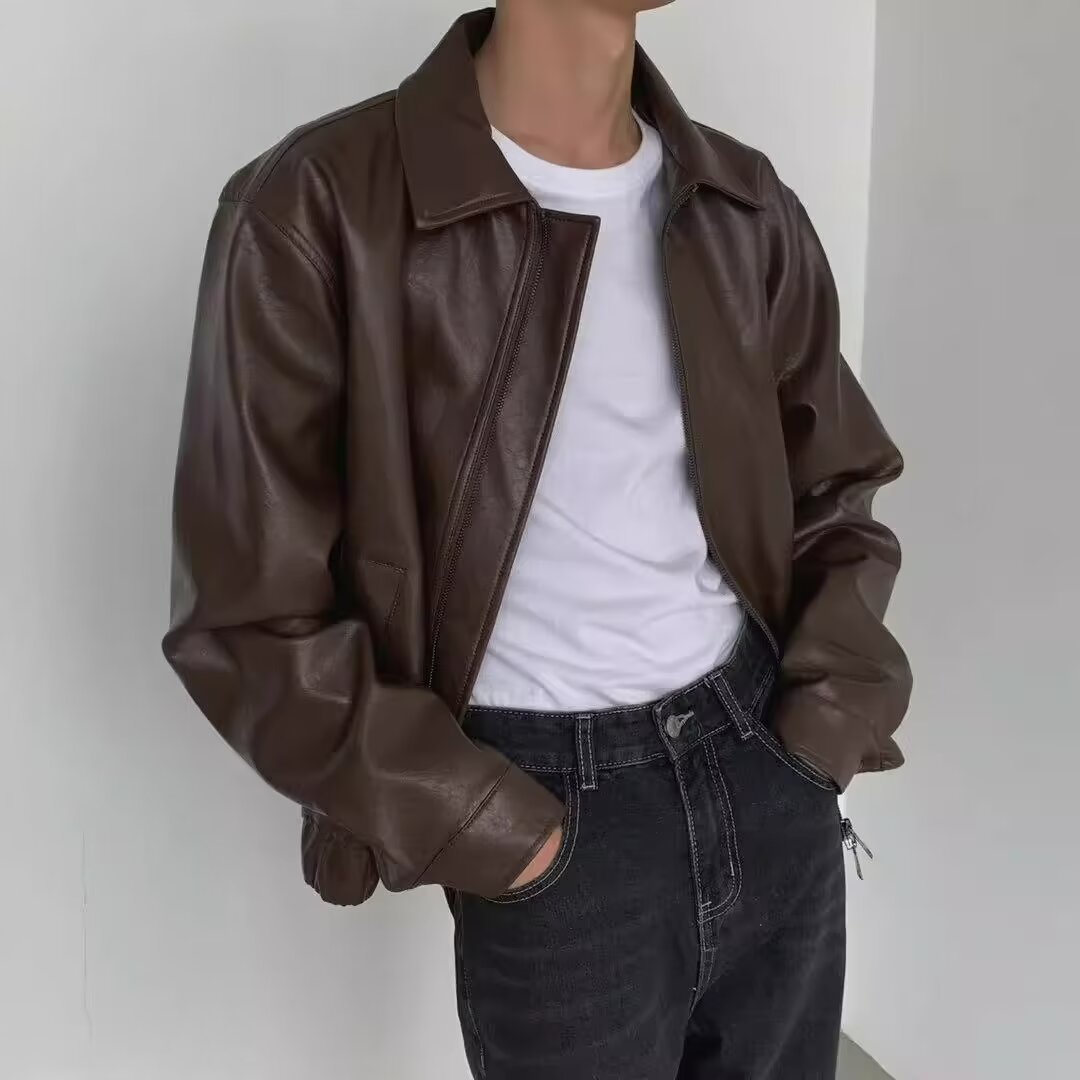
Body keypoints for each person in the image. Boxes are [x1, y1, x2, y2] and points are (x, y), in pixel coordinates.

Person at [163, 3, 912, 1076]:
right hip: (555, 821)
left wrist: (822, 732)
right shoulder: (319, 207)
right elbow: (250, 619)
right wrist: (496, 829)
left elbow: (835, 489)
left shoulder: (739, 202)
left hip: (765, 758)